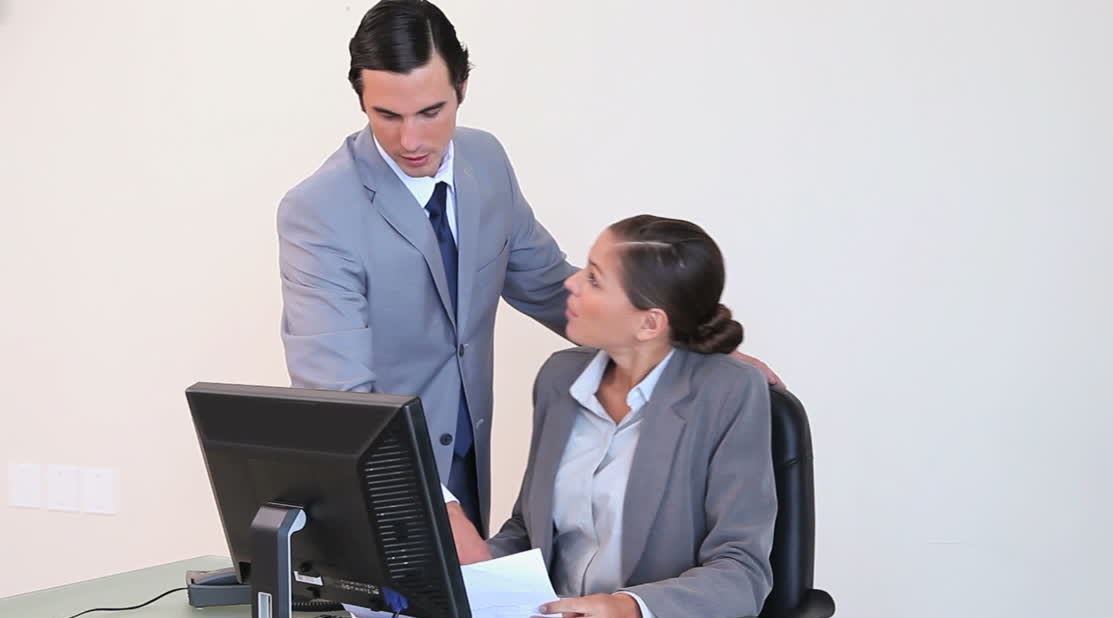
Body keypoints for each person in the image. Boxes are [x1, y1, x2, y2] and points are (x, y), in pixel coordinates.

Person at [278, 1, 778, 557]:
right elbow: (341, 399)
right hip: (385, 474)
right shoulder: (318, 211)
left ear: (462, 88)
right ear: (362, 101)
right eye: (387, 116)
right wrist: (435, 504)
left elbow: (545, 283)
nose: (411, 140)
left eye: (431, 111)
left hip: (469, 457)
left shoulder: (484, 161)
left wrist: (687, 346)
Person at [484, 215, 777, 618]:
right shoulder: (559, 378)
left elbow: (741, 569)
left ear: (649, 324)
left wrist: (630, 610)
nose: (571, 284)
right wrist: (464, 571)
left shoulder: (727, 393)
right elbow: (528, 531)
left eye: (595, 280)